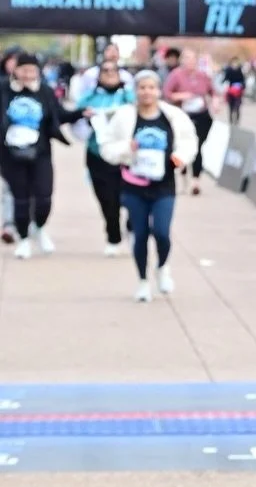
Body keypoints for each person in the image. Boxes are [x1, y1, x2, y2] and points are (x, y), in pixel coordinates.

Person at [98, 68, 197, 301]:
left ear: (159, 90)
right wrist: (126, 149)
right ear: (135, 91)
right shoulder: (124, 117)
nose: (146, 92)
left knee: (162, 232)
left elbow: (189, 141)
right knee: (140, 234)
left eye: (151, 87)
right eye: (142, 88)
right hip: (134, 184)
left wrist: (179, 158)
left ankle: (162, 267)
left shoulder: (172, 116)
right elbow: (107, 147)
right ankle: (142, 281)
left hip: (164, 184)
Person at [1, 51, 83, 257]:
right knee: (20, 199)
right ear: (15, 70)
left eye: (31, 70)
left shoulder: (45, 91)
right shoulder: (3, 90)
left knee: (44, 197)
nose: (27, 74)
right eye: (23, 70)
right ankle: (24, 239)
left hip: (40, 152)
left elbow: (60, 115)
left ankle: (39, 227)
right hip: (11, 154)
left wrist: (81, 112)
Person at [75, 47, 135, 253]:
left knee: (127, 196)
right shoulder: (91, 97)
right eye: (105, 72)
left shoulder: (128, 96)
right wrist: (86, 114)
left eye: (113, 71)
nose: (110, 75)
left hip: (124, 155)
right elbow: (75, 113)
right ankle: (113, 236)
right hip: (97, 154)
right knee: (106, 198)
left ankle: (132, 227)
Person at [162, 47, 216, 196]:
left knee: (197, 146)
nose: (190, 62)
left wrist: (215, 102)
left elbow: (213, 91)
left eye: (192, 59)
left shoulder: (202, 76)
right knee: (184, 147)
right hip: (183, 116)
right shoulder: (176, 75)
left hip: (202, 115)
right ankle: (183, 175)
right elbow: (166, 93)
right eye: (186, 58)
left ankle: (196, 180)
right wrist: (180, 96)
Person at [221, 59, 246, 128]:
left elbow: (243, 81)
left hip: (238, 92)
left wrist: (241, 86)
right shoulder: (229, 71)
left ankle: (237, 121)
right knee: (230, 107)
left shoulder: (240, 71)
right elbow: (225, 79)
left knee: (237, 107)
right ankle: (231, 121)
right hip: (231, 92)